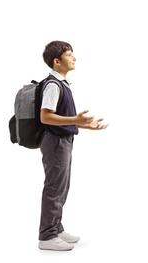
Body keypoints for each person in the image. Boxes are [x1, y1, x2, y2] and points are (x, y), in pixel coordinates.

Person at [38, 40, 107, 251]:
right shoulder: (52, 85)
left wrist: (83, 125)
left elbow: (63, 118)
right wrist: (76, 120)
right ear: (57, 61)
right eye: (69, 54)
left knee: (62, 186)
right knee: (54, 187)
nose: (74, 58)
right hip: (55, 142)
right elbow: (45, 117)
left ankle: (56, 228)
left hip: (63, 141)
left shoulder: (62, 84)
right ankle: (47, 236)